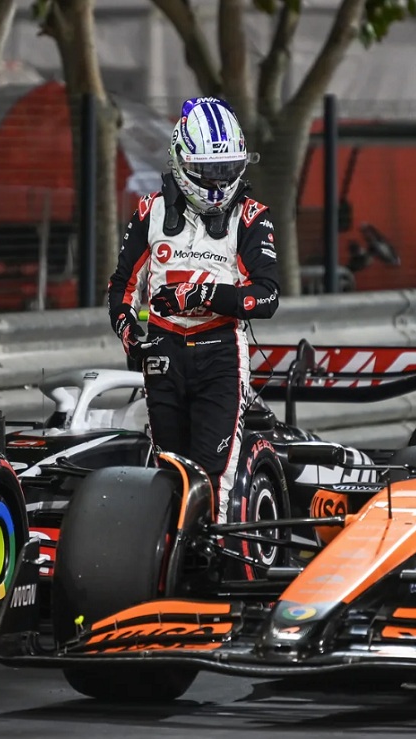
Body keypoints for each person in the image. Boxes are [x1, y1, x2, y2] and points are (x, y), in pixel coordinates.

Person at [107, 96, 280, 523]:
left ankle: (215, 559)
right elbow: (121, 289)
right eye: (210, 171)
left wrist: (200, 296)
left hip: (221, 354)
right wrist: (131, 333)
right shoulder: (150, 212)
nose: (219, 183)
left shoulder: (251, 216)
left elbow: (267, 296)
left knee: (211, 473)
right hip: (164, 354)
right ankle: (164, 558)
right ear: (182, 162)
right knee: (169, 470)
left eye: (227, 170)